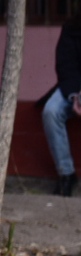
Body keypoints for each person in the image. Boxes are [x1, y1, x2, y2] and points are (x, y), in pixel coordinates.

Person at [41, 14, 81, 196]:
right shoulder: (72, 27)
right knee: (51, 111)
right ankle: (66, 174)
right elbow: (66, 65)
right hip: (72, 87)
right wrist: (74, 94)